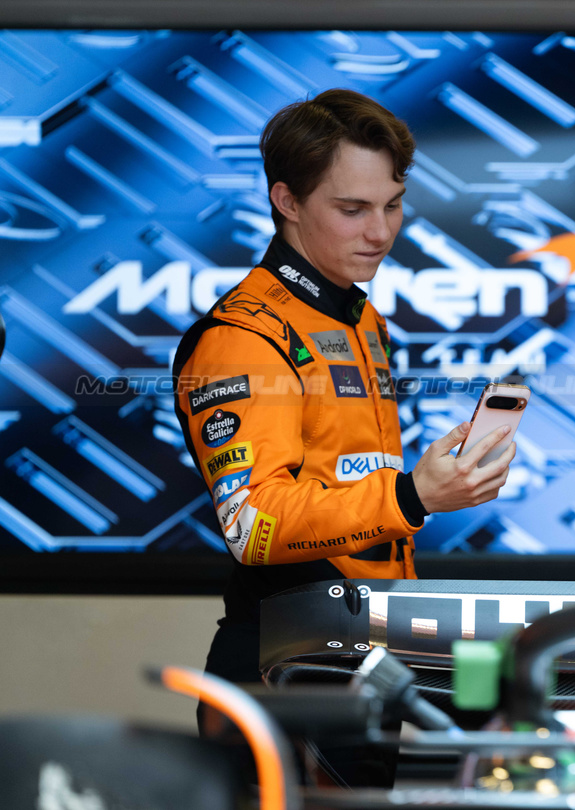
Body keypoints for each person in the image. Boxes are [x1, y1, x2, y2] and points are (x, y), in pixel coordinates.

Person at [173, 89, 515, 691]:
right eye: (353, 209)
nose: (381, 232)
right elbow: (251, 522)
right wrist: (412, 497)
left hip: (366, 655)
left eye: (393, 205)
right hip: (283, 666)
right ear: (288, 201)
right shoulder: (244, 335)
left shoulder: (359, 319)